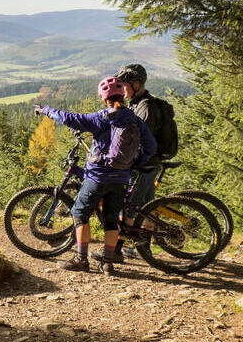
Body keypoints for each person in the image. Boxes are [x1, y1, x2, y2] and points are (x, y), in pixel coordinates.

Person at [34, 77, 157, 274]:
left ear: (103, 98)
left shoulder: (101, 118)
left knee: (80, 214)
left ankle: (81, 259)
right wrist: (133, 163)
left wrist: (45, 110)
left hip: (97, 177)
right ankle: (107, 263)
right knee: (111, 219)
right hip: (121, 179)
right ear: (122, 96)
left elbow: (68, 118)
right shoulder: (135, 120)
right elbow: (151, 147)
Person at [106, 63, 162, 261]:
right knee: (147, 207)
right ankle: (143, 249)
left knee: (129, 206)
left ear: (137, 85)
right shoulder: (137, 103)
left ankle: (115, 250)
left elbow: (140, 139)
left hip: (145, 165)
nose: (122, 90)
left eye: (125, 86)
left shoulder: (145, 107)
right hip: (148, 163)